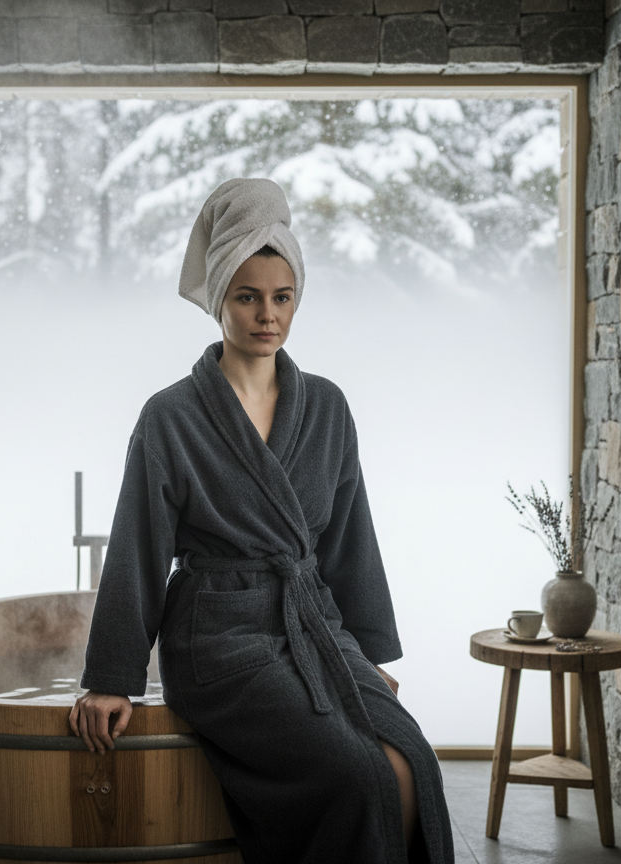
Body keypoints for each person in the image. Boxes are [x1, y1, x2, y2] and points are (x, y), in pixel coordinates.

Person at [69, 178, 453, 863]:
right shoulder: (171, 417)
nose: (267, 316)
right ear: (219, 297)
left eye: (283, 297)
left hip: (313, 622)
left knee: (412, 760)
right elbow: (138, 549)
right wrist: (110, 678)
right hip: (219, 638)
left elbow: (350, 537)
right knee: (357, 774)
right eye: (247, 297)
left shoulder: (326, 407)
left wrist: (366, 652)